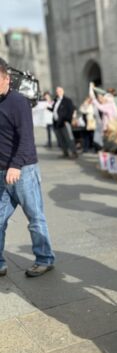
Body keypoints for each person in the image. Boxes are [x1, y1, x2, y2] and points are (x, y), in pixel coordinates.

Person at [0, 58, 55, 278]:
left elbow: (26, 139)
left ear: (6, 78)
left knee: (35, 217)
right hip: (2, 173)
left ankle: (44, 259)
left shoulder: (18, 102)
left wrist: (15, 166)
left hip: (23, 171)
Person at [51, 86, 78, 158]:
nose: (57, 93)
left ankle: (74, 152)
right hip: (57, 122)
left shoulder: (67, 100)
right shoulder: (56, 100)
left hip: (64, 122)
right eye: (57, 92)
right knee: (61, 139)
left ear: (63, 91)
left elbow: (71, 110)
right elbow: (54, 110)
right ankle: (65, 152)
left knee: (69, 138)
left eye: (59, 91)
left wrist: (67, 120)